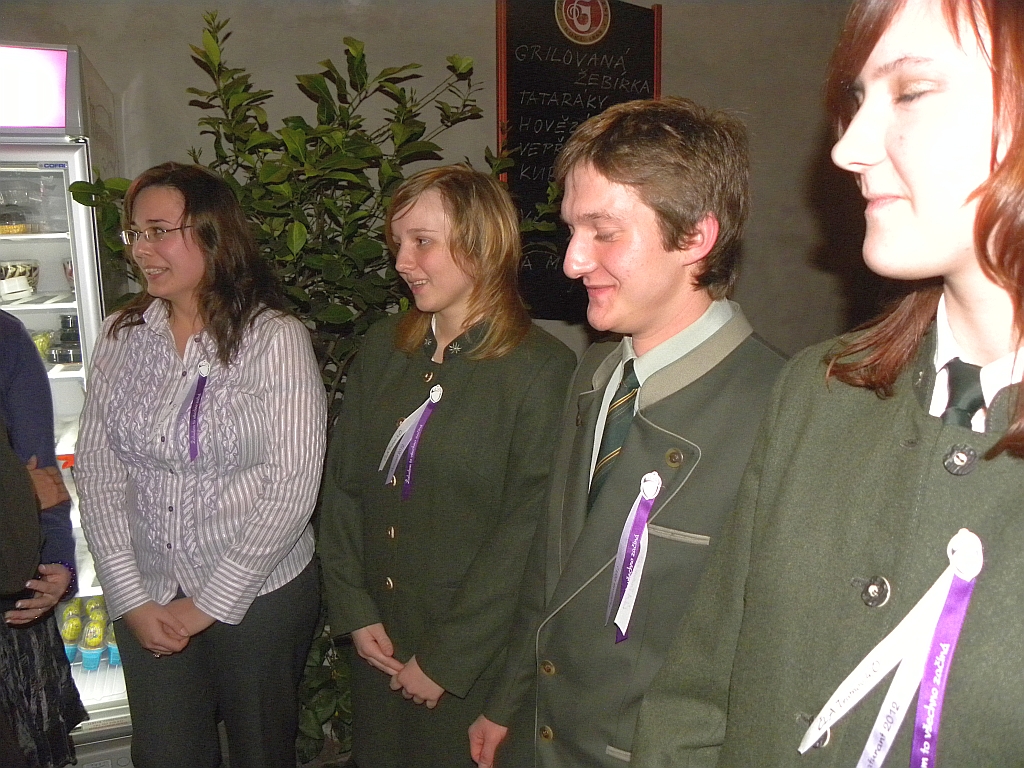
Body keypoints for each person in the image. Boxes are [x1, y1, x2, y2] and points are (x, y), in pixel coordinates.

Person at [632, 1, 1024, 766]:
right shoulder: (821, 391)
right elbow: (696, 701)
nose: (847, 147)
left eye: (911, 92)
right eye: (857, 97)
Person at [469, 97, 787, 768]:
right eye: (571, 230)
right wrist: (508, 702)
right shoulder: (597, 373)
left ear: (695, 238)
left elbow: (772, 667)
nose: (572, 262)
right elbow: (552, 570)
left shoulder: (782, 412)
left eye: (604, 232)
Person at [318, 164, 576, 768]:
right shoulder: (386, 345)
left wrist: (445, 661)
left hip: (474, 668)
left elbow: (525, 540)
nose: (403, 262)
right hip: (380, 644)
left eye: (422, 242)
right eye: (398, 243)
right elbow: (344, 486)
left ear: (482, 245)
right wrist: (355, 608)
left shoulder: (540, 370)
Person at [76, 162, 327, 768]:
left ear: (213, 235)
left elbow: (293, 486)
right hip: (149, 591)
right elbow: (98, 471)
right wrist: (130, 596)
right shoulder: (121, 337)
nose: (141, 249)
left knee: (260, 750)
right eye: (134, 233)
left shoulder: (274, 339)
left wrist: (210, 602)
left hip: (260, 593)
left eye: (159, 231)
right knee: (165, 752)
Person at [0, 310, 86, 768]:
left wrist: (58, 567)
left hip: (12, 604)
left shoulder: (6, 336)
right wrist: (19, 492)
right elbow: (32, 484)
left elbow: (42, 469)